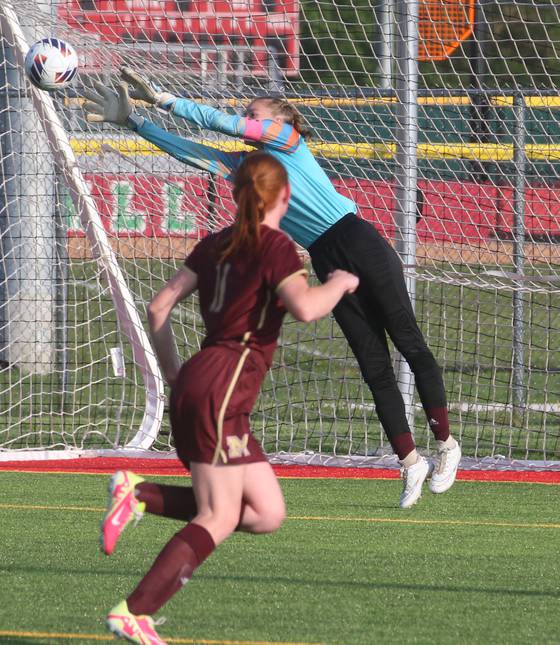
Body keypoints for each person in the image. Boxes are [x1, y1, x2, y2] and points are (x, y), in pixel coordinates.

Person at [82, 69, 462, 509]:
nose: (246, 118)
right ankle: (410, 461)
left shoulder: (287, 141)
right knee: (372, 363)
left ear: (280, 120)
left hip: (359, 240)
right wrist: (135, 123)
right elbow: (191, 152)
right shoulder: (249, 169)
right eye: (248, 114)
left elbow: (227, 125)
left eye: (254, 113)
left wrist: (166, 99)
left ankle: (446, 446)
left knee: (409, 342)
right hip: (326, 256)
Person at [98, 151, 359, 644]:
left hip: (210, 382)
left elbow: (159, 305)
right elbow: (305, 308)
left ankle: (138, 494)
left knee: (264, 513)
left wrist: (175, 370)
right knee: (217, 516)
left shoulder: (217, 242)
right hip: (222, 387)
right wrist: (339, 284)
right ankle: (134, 612)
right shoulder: (276, 245)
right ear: (285, 195)